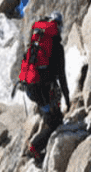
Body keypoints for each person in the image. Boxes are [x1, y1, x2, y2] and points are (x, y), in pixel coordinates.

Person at [20, 11, 70, 163]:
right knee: (55, 122)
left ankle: (40, 144)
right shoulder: (56, 48)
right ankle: (34, 148)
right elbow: (61, 76)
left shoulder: (38, 41)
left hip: (30, 85)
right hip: (42, 89)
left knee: (53, 115)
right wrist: (67, 99)